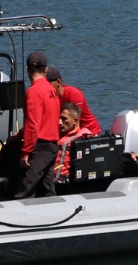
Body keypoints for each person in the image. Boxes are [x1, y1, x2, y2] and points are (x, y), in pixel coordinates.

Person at [14, 51, 60, 198]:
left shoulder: (33, 92)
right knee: (47, 188)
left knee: (25, 189)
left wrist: (26, 152)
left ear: (27, 69)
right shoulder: (52, 90)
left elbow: (33, 124)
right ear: (45, 70)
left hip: (40, 147)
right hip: (53, 145)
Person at [50, 103, 95, 187]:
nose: (60, 122)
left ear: (75, 121)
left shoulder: (84, 138)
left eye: (64, 119)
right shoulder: (56, 135)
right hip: (51, 179)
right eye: (59, 118)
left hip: (66, 181)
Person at [45, 68, 101, 135]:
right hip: (68, 130)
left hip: (89, 131)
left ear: (58, 81)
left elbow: (76, 125)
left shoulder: (74, 94)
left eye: (47, 84)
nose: (44, 87)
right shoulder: (51, 97)